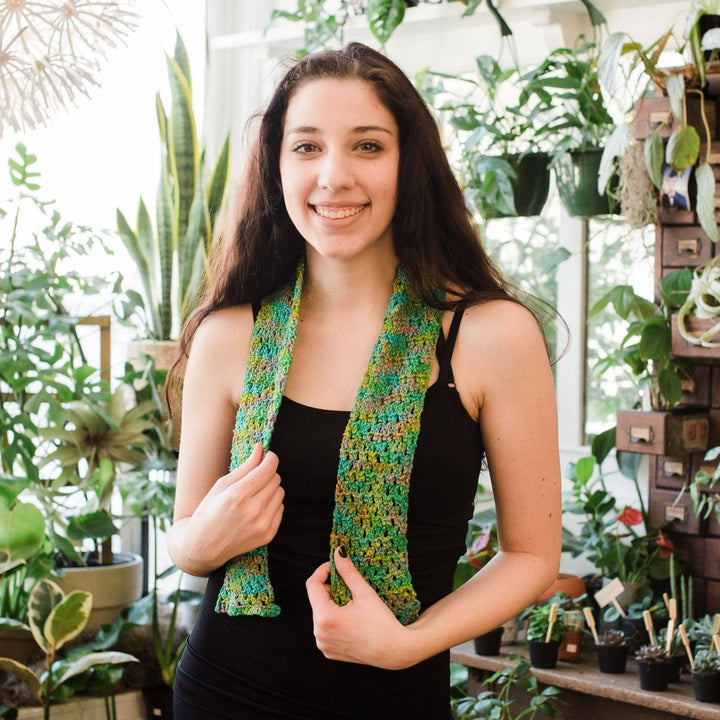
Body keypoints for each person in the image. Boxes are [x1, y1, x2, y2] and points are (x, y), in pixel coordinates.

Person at [167, 42, 561, 720]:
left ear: (411, 164)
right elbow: (185, 536)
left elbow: (532, 556)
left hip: (393, 695)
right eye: (308, 148)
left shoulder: (490, 336)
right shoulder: (229, 333)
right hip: (224, 691)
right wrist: (204, 540)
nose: (334, 177)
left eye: (368, 147)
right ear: (277, 166)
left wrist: (407, 644)